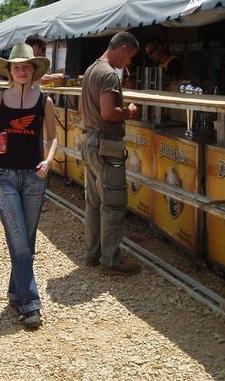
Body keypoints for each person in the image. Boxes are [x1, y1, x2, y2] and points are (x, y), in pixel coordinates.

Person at [0, 43, 58, 329]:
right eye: (17, 67)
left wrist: (49, 160)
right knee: (19, 239)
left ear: (34, 70)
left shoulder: (45, 101)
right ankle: (31, 304)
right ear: (9, 71)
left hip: (35, 177)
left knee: (27, 239)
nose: (22, 71)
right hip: (3, 177)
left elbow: (53, 137)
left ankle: (15, 292)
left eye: (26, 67)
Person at [80, 32, 141, 276]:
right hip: (106, 145)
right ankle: (111, 261)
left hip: (89, 140)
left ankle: (92, 254)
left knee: (94, 203)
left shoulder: (91, 70)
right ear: (123, 49)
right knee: (113, 204)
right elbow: (108, 112)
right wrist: (129, 112)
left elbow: (86, 108)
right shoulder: (108, 74)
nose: (129, 63)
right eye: (130, 57)